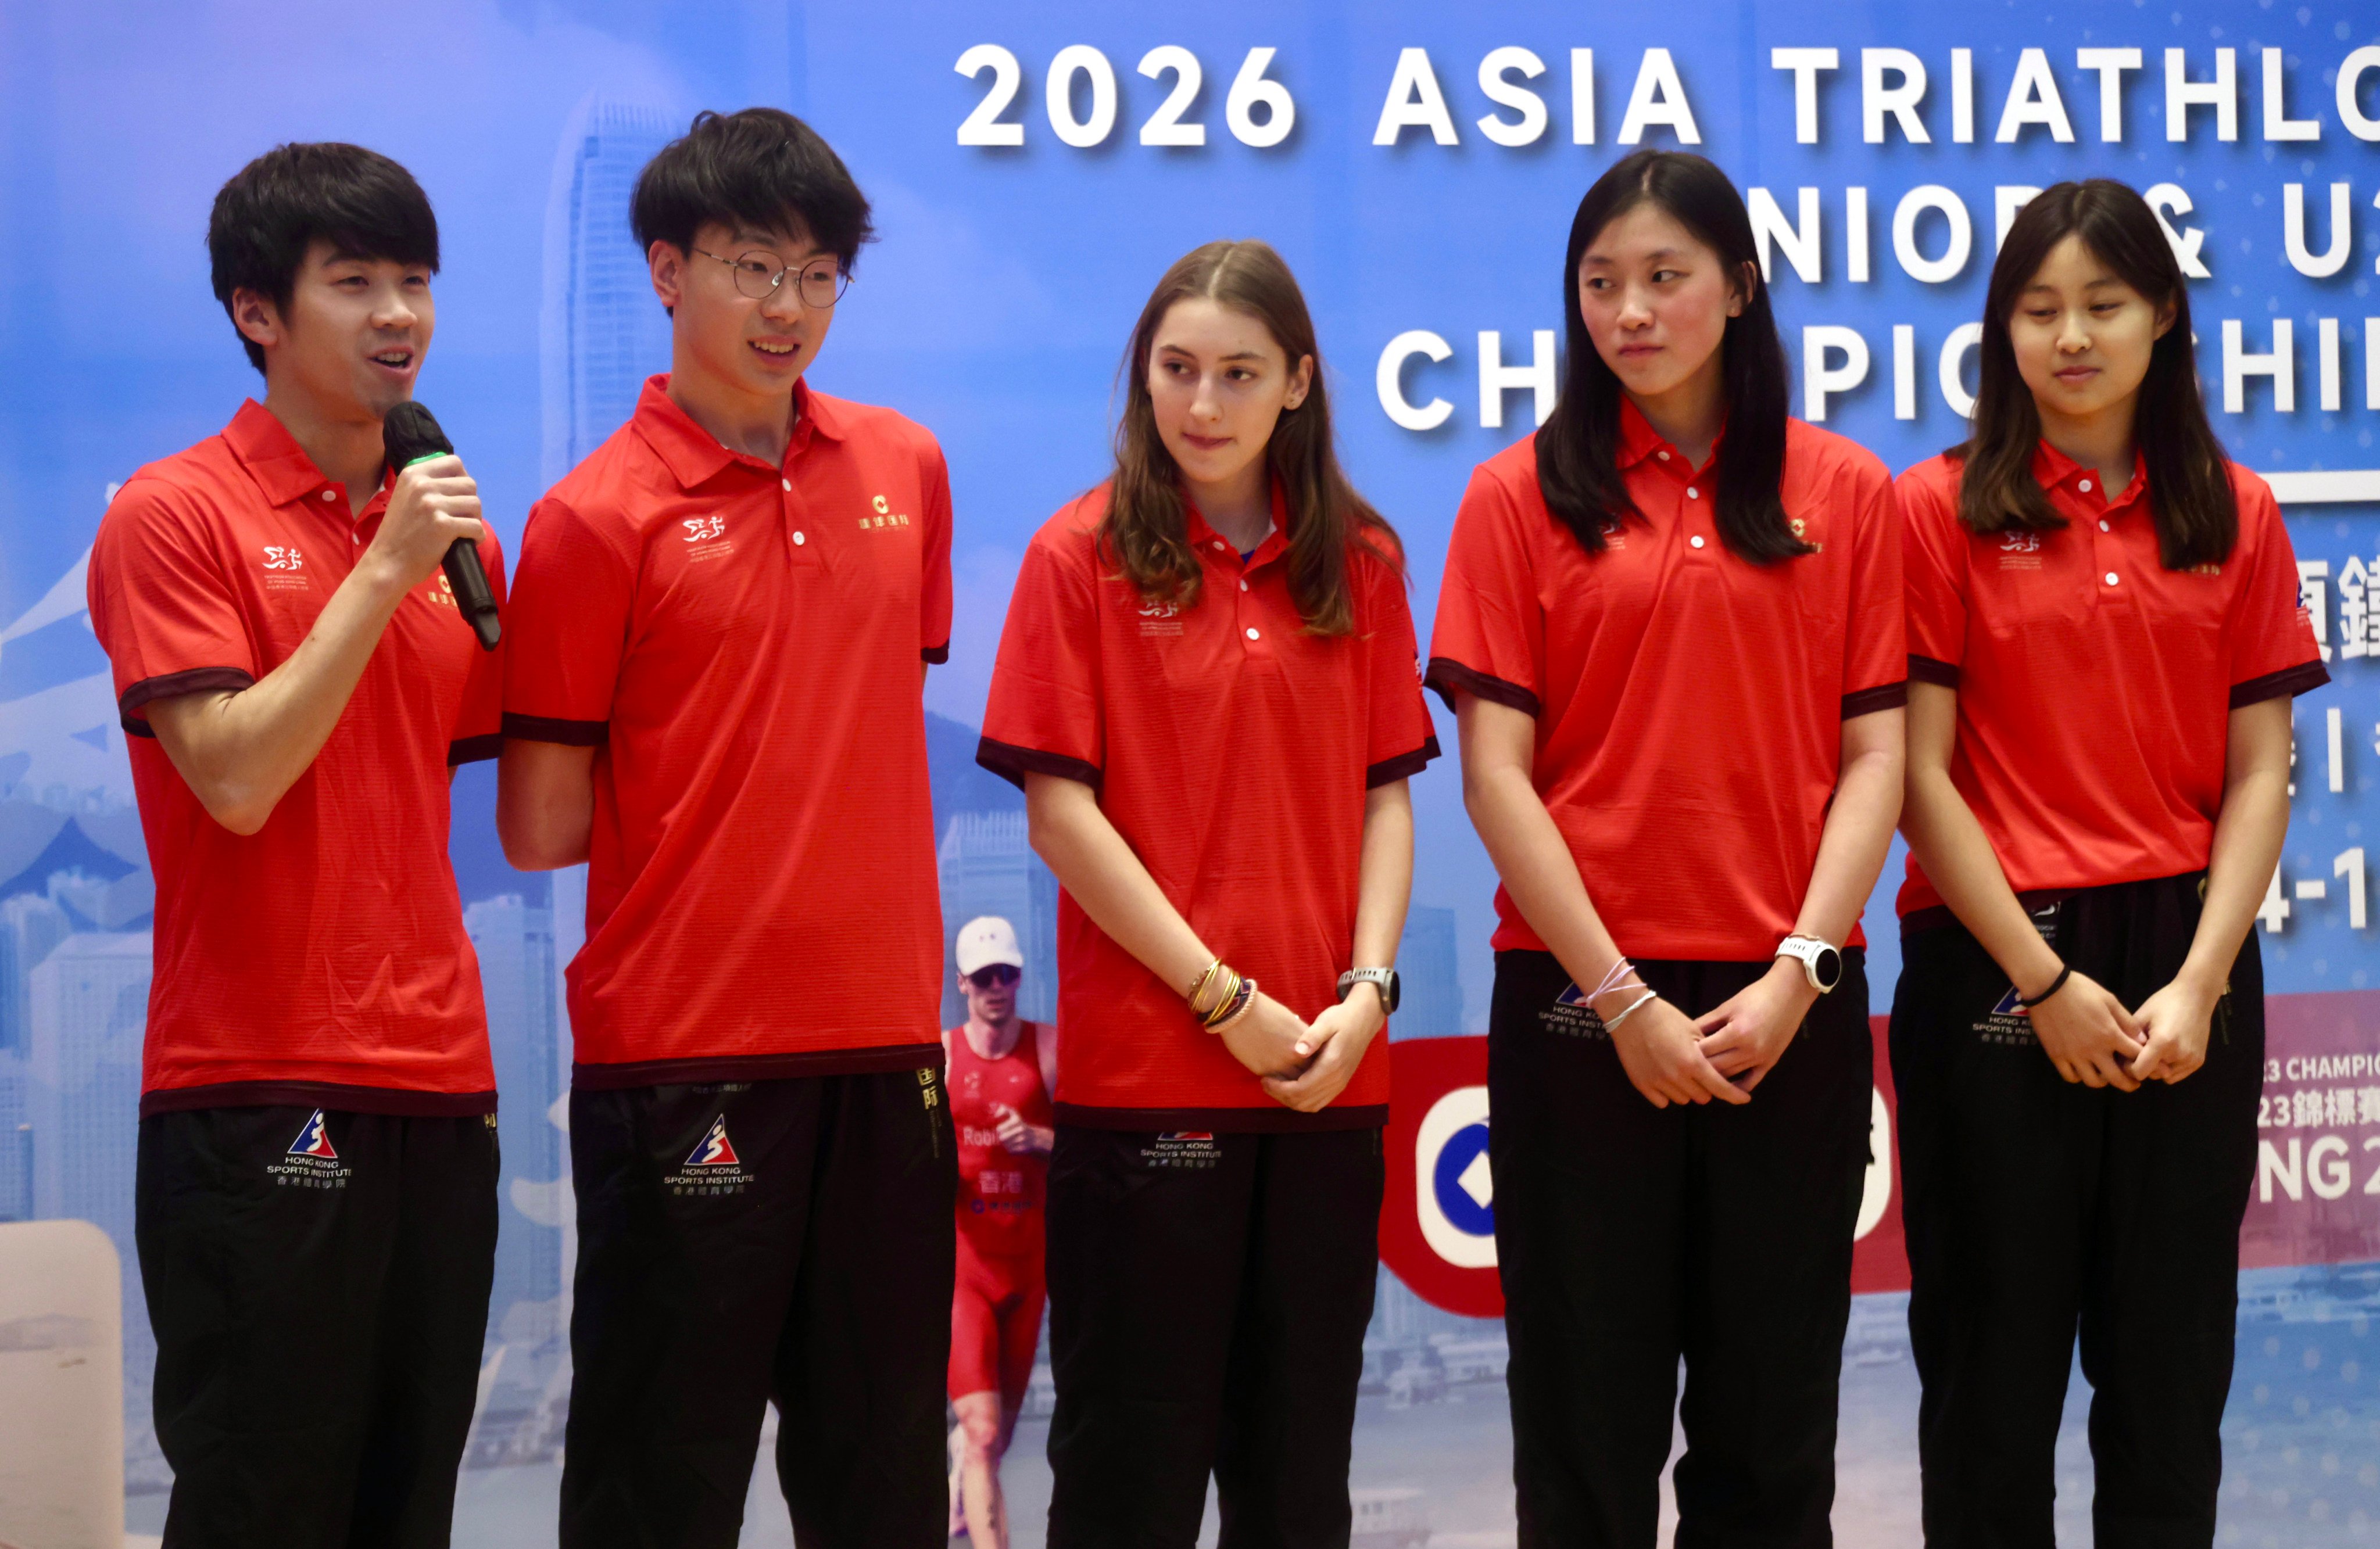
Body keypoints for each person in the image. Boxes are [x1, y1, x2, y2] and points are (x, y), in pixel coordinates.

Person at [1429, 148, 1905, 1547]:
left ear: (1741, 289)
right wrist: (1624, 995)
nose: (1628, 311)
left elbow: (1878, 754)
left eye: (1663, 277)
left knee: (1771, 1435)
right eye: (1599, 283)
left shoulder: (1845, 488)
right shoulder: (1519, 494)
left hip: (1791, 1005)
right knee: (1585, 1426)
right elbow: (1496, 772)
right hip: (1582, 1005)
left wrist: (1803, 966)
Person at [496, 108, 955, 1548]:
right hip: (684, 1053)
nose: (788, 308)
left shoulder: (906, 469)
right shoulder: (589, 519)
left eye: (820, 275)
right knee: (658, 1477)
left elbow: (871, 717)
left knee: (881, 1472)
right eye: (754, 267)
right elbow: (539, 822)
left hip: (888, 1049)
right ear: (668, 269)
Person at [977, 238, 1436, 1547]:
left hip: (1325, 1080)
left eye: (1239, 372)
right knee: (1131, 1473)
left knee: (1300, 1478)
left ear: (1297, 381)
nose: (1203, 403)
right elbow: (1061, 814)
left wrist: (1366, 993)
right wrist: (1220, 994)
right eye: (1176, 369)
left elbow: (1383, 795)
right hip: (1148, 1090)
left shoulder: (1362, 558)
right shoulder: (1080, 558)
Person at [1891, 180, 2325, 1547]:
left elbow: (2263, 770)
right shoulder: (1937, 507)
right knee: (1991, 1372)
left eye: (2103, 304)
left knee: (2169, 1371)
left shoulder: (2234, 510)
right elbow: (1916, 772)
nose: (2071, 335)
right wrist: (2040, 978)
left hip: (2187, 975)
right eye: (2038, 309)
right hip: (1997, 960)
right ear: (2001, 328)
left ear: (2165, 318)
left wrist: (2201, 983)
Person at [88, 141, 503, 1548]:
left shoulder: (448, 535)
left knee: (410, 1505)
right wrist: (383, 571)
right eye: (356, 282)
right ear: (257, 309)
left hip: (441, 1080)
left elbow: (430, 792)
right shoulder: (175, 512)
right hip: (256, 1078)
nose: (400, 314)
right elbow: (239, 779)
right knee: (266, 1502)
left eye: (418, 281)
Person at [941, 916, 1058, 1548]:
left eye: (1006, 973)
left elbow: (1096, 1155)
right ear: (962, 982)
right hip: (967, 1272)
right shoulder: (941, 1056)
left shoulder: (1048, 1051)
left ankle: (962, 1463)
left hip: (1028, 1269)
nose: (996, 986)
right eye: (983, 976)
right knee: (984, 1431)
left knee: (997, 1435)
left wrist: (1040, 1139)